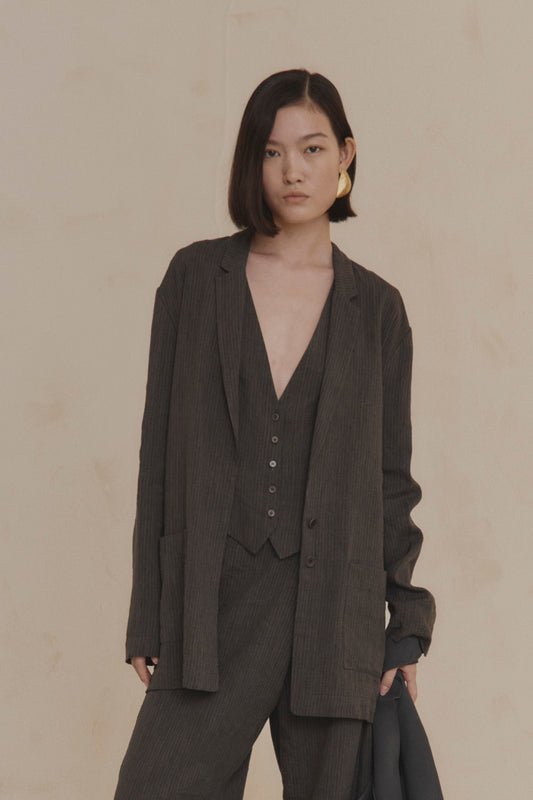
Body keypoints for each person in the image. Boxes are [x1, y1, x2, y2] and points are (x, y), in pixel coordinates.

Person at [113, 68, 436, 800]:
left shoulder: (377, 310)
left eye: (312, 148)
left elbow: (391, 479)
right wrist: (148, 613)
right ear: (251, 161)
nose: (292, 170)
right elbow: (157, 456)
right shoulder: (196, 280)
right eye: (271, 151)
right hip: (211, 605)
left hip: (337, 613)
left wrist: (406, 622)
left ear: (344, 156)